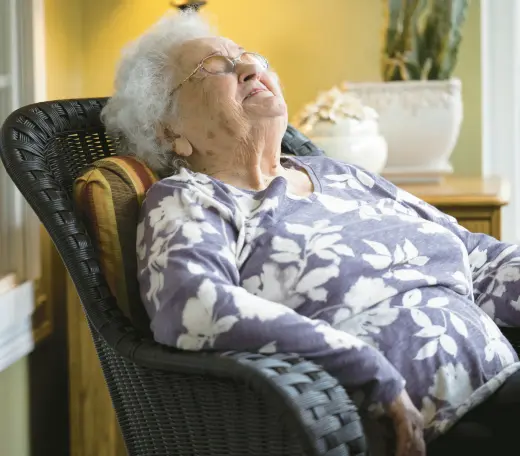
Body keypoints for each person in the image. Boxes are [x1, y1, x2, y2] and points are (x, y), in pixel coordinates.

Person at [101, 11, 520, 456]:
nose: (250, 68)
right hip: (433, 426)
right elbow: (193, 309)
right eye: (217, 67)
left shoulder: (336, 174)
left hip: (502, 379)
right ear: (170, 132)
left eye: (248, 57)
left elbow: (476, 256)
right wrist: (365, 369)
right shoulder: (191, 198)